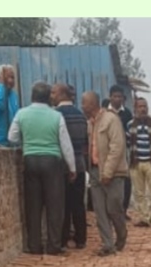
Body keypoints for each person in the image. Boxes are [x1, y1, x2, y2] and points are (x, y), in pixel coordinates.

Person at [7, 81, 76, 256]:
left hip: (30, 160)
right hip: (52, 162)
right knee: (55, 206)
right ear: (48, 98)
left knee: (33, 206)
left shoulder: (22, 114)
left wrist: (27, 140)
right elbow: (65, 144)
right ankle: (53, 246)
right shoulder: (56, 116)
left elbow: (11, 137)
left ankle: (34, 245)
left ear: (32, 97)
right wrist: (72, 167)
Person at [81, 90, 128, 256]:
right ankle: (107, 244)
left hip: (113, 173)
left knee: (113, 207)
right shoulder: (89, 123)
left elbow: (117, 147)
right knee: (100, 210)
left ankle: (121, 234)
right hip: (94, 171)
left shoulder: (111, 120)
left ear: (92, 104)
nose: (82, 106)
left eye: (84, 102)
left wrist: (108, 172)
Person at [52, 82, 88, 250]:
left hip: (62, 166)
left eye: (54, 93)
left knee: (63, 203)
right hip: (80, 164)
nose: (51, 96)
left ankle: (64, 237)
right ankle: (81, 238)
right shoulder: (81, 116)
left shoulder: (56, 115)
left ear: (61, 95)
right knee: (78, 204)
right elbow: (85, 143)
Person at [126, 96, 151, 230]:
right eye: (140, 106)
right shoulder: (130, 125)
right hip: (136, 164)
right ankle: (144, 218)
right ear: (135, 109)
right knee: (139, 193)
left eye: (145, 106)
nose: (143, 109)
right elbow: (129, 143)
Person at [108, 84, 133, 215]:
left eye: (120, 97)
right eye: (115, 96)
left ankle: (123, 209)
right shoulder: (105, 112)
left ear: (123, 98)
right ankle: (110, 209)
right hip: (107, 151)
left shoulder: (127, 113)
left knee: (126, 179)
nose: (117, 99)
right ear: (110, 97)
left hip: (124, 151)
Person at [0, 65, 19, 147]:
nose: (10, 80)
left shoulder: (13, 95)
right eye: (7, 77)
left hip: (12, 142)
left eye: (12, 77)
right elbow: (0, 105)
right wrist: (4, 88)